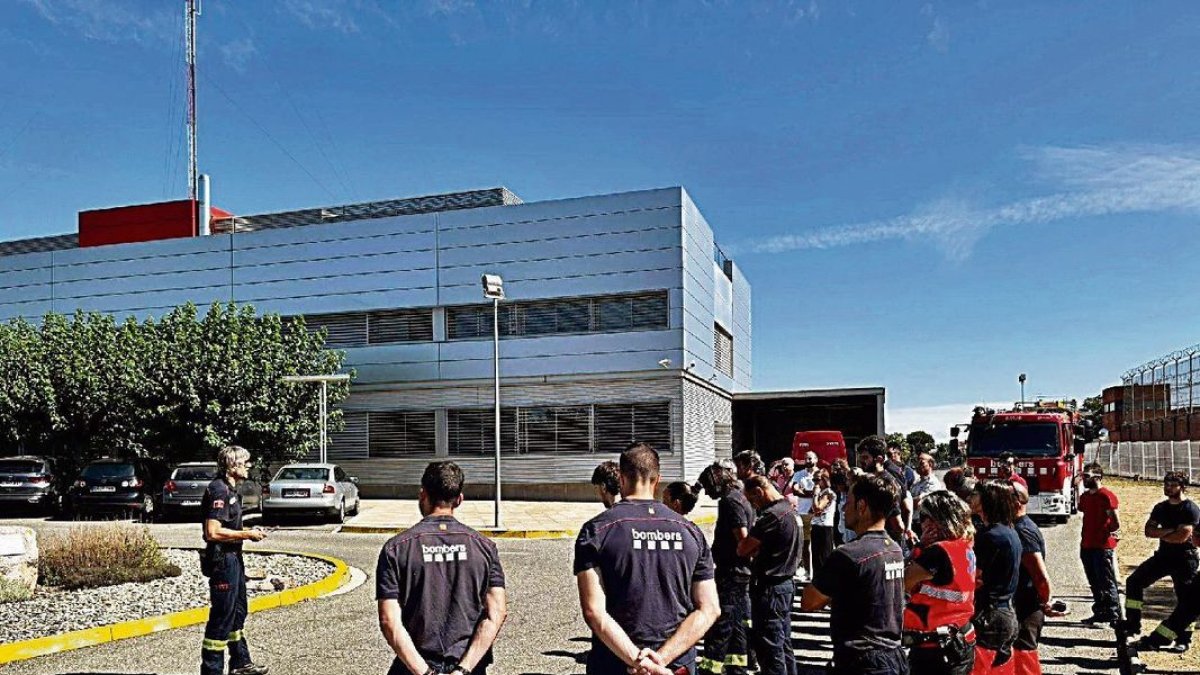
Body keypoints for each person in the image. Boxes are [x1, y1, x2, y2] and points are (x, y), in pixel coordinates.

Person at [575, 443, 721, 675]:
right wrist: (660, 660)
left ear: (621, 479)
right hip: (676, 665)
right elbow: (710, 609)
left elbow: (594, 611)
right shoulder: (691, 531)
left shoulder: (596, 531)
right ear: (657, 479)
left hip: (616, 663)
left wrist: (639, 662)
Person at [376, 461, 507, 675]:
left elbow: (389, 620)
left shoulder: (395, 549)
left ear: (423, 494)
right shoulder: (485, 547)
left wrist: (426, 672)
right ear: (459, 499)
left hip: (414, 667)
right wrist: (462, 670)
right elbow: (497, 612)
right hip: (469, 666)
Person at [802, 474, 907, 675]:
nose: (843, 509)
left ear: (861, 506)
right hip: (892, 654)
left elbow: (809, 601)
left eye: (848, 502)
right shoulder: (894, 549)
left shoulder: (849, 554)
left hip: (862, 659)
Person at [200, 446, 269, 675]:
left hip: (234, 558)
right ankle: (212, 670)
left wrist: (247, 531)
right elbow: (212, 532)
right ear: (232, 465)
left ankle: (240, 662)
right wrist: (246, 534)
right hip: (222, 560)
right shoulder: (219, 490)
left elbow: (227, 526)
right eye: (245, 462)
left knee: (238, 611)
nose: (249, 466)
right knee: (222, 617)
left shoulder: (230, 490)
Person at [903, 491, 977, 675]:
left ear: (934, 520)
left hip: (935, 648)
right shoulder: (963, 544)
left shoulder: (936, 553)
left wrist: (919, 547)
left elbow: (901, 583)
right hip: (960, 638)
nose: (921, 523)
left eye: (923, 517)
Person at [1122, 471, 1200, 642]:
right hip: (1163, 556)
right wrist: (1171, 531)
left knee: (1187, 600)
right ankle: (1132, 625)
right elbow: (1148, 531)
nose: (1168, 488)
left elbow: (1181, 537)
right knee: (1134, 582)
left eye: (1172, 485)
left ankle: (1183, 639)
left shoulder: (1190, 509)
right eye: (1166, 484)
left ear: (1182, 487)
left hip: (1185, 560)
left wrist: (1161, 533)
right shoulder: (1160, 508)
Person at [740, 476, 803, 675]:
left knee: (770, 648)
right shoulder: (790, 510)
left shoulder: (771, 517)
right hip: (785, 584)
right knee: (783, 643)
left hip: (770, 588)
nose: (753, 505)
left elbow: (743, 549)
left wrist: (754, 547)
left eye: (752, 500)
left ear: (759, 492)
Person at [696, 462, 754, 675]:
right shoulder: (739, 496)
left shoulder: (730, 501)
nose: (707, 493)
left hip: (731, 573)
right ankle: (737, 666)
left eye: (707, 487)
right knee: (737, 623)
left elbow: (743, 539)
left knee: (721, 623)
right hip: (738, 572)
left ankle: (710, 668)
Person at [968, 481, 1021, 675]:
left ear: (986, 500)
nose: (970, 498)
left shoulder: (989, 536)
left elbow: (974, 576)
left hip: (989, 616)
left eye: (975, 494)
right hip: (1006, 613)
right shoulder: (1009, 531)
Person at [1012, 483, 1054, 675]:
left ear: (1016, 502)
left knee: (1024, 661)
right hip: (1022, 603)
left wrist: (1045, 602)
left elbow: (1040, 576)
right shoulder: (1017, 526)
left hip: (1027, 607)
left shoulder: (1023, 531)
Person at [1076, 462, 1121, 625]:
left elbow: (1115, 523)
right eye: (1083, 476)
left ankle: (1114, 614)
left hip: (1102, 546)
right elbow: (1080, 508)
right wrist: (1076, 488)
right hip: (1087, 544)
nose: (1084, 479)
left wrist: (1108, 532)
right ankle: (1100, 611)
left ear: (1097, 477)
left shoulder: (1106, 496)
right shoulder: (1085, 496)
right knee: (1094, 582)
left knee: (1107, 581)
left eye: (1087, 476)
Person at [856, 436, 913, 546]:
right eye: (860, 458)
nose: (861, 462)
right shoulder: (879, 473)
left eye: (865, 457)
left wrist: (904, 530)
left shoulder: (889, 474)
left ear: (879, 459)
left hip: (889, 540)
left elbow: (905, 505)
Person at [790, 452, 817, 581]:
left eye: (810, 458)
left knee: (815, 545)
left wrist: (804, 491)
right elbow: (795, 490)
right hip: (802, 512)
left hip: (816, 514)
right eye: (805, 458)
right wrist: (812, 493)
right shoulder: (799, 474)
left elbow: (821, 490)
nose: (807, 460)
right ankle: (807, 570)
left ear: (816, 459)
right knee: (804, 544)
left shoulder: (820, 473)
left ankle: (815, 571)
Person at [810, 468, 836, 579]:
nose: (815, 483)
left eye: (817, 480)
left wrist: (815, 494)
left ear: (824, 479)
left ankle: (824, 581)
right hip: (817, 525)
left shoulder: (827, 493)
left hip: (824, 527)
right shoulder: (822, 492)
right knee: (816, 556)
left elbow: (818, 508)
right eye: (814, 480)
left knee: (823, 556)